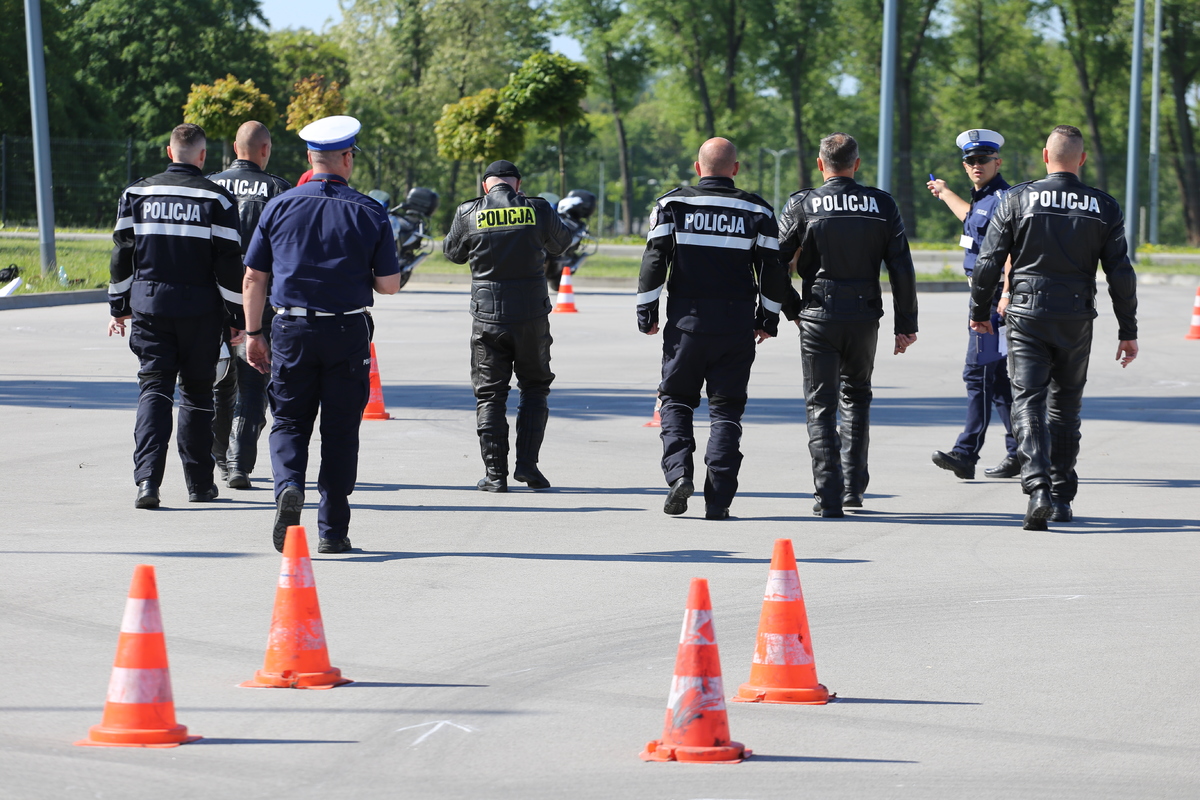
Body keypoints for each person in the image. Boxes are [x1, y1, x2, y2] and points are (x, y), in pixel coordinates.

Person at [242, 115, 401, 554]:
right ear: (347, 158)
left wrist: (254, 333)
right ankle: (333, 531)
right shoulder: (369, 210)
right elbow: (388, 285)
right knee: (340, 429)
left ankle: (288, 486)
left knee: (289, 420)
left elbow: (254, 277)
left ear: (310, 158)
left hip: (289, 328)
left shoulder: (279, 206)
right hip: (347, 329)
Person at [969, 124, 1137, 530]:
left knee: (1027, 400)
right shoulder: (1104, 206)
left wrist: (979, 310)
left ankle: (1037, 488)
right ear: (1081, 159)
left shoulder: (1016, 199)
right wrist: (1127, 330)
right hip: (1076, 317)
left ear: (1046, 157)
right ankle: (1061, 498)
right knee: (1065, 408)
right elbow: (1120, 273)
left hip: (1026, 315)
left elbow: (990, 261)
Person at [637, 137, 791, 520]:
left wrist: (647, 311)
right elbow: (773, 269)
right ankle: (718, 502)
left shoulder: (672, 204)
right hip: (736, 327)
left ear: (697, 167)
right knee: (726, 411)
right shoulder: (757, 209)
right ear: (735, 169)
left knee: (675, 401)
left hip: (685, 326)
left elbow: (655, 259)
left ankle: (678, 476)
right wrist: (768, 319)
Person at [778, 132, 919, 518]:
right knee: (857, 397)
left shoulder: (803, 203)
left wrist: (792, 308)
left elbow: (775, 263)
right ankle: (853, 489)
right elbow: (901, 265)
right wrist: (905, 323)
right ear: (856, 164)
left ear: (821, 164)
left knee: (820, 404)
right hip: (864, 315)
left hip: (818, 313)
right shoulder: (881, 203)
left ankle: (828, 493)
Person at [106, 123, 244, 509]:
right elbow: (229, 265)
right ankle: (200, 485)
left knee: (154, 389)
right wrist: (237, 318)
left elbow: (122, 254)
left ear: (170, 152)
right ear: (202, 157)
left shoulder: (137, 193)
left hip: (150, 308)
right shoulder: (218, 199)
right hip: (200, 312)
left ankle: (147, 481)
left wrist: (119, 307)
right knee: (199, 393)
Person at [442, 160, 572, 493]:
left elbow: (453, 253)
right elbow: (562, 243)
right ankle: (528, 467)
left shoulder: (469, 212)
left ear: (486, 185)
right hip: (531, 317)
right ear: (518, 183)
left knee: (490, 395)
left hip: (487, 317)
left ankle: (495, 474)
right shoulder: (537, 209)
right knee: (535, 387)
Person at [926, 129, 1020, 481]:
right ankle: (1020, 451)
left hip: (994, 298)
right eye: (971, 160)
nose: (976, 165)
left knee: (978, 375)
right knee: (995, 380)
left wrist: (1007, 294)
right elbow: (971, 220)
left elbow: (1010, 252)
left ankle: (966, 454)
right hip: (985, 296)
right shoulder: (983, 199)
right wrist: (945, 192)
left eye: (983, 159)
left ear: (998, 162)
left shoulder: (1001, 199)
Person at [208, 121, 292, 490]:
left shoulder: (207, 186)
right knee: (253, 381)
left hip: (211, 300)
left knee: (216, 382)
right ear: (265, 149)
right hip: (260, 300)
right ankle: (239, 463)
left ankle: (219, 459)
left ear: (233, 146)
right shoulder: (279, 190)